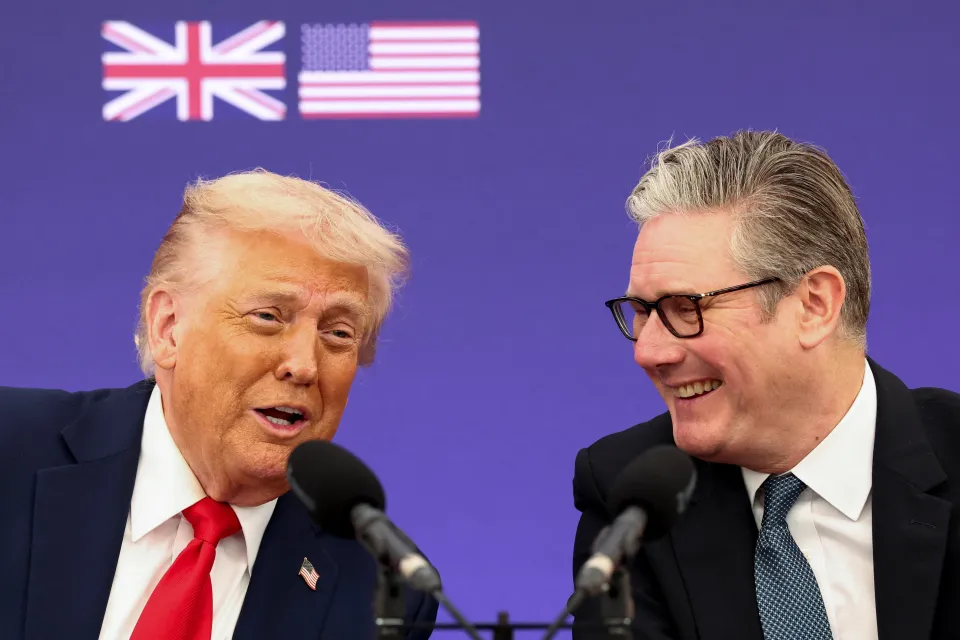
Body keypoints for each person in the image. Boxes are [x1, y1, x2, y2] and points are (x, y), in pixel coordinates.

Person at [0, 170, 438, 639]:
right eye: (267, 317)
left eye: (338, 333)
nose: (304, 365)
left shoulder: (379, 587)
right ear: (169, 328)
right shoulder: (12, 450)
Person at [571, 131, 960, 640]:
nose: (649, 352)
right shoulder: (633, 500)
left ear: (814, 305)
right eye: (642, 312)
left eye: (686, 308)